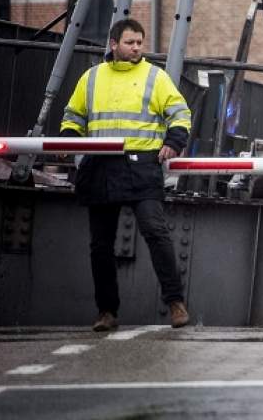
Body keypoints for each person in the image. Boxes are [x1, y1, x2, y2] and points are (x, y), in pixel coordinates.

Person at [60, 17, 192, 332]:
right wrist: (67, 141)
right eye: (130, 42)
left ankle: (175, 303)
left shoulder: (154, 77)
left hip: (141, 166)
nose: (136, 48)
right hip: (100, 167)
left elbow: (180, 112)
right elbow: (73, 116)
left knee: (156, 233)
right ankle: (106, 312)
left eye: (140, 42)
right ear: (114, 44)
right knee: (100, 246)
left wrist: (174, 142)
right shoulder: (91, 78)